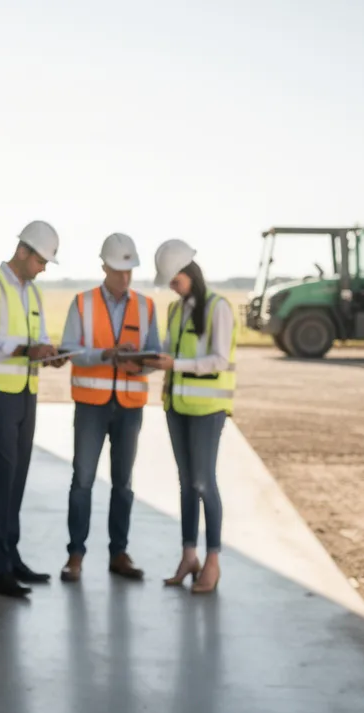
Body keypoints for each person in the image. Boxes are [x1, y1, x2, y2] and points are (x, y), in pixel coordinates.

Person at [0, 220, 68, 598]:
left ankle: (11, 557)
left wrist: (50, 353)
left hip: (25, 392)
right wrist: (28, 350)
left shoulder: (32, 293)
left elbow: (36, 339)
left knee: (16, 481)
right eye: (41, 261)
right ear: (23, 251)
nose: (43, 268)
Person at [58, 233, 159, 583]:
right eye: (119, 270)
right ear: (104, 267)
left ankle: (119, 553)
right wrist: (105, 355)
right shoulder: (82, 303)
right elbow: (69, 349)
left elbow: (155, 356)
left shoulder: (146, 307)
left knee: (124, 484)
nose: (125, 277)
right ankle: (75, 555)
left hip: (130, 406)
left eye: (130, 270)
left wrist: (139, 363)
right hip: (91, 406)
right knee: (82, 480)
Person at [144, 239, 237, 594]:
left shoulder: (218, 308)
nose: (171, 286)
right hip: (177, 406)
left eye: (174, 280)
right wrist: (144, 362)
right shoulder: (176, 310)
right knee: (186, 486)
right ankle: (188, 556)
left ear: (190, 273)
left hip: (208, 410)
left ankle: (212, 562)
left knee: (203, 482)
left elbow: (219, 360)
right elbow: (168, 353)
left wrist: (176, 364)